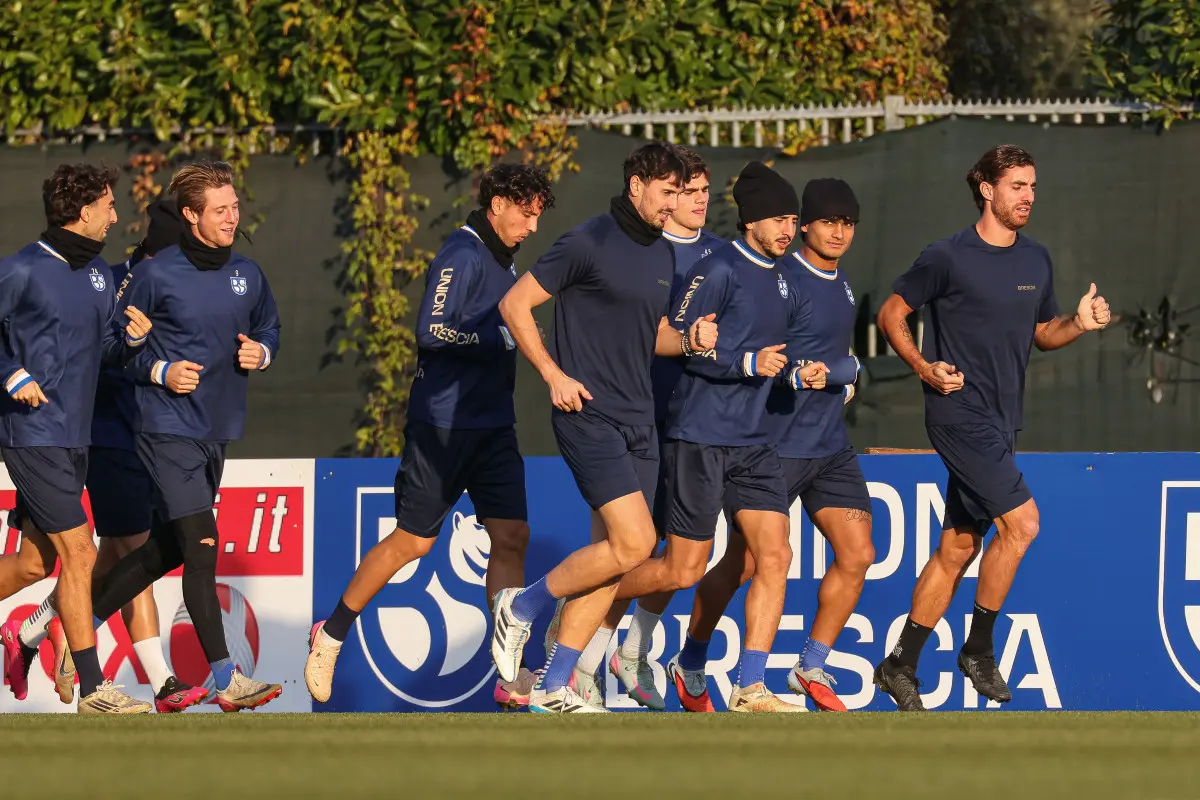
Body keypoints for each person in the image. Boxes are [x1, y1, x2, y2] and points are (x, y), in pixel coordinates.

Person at [303, 164, 555, 710]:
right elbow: (431, 329)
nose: (533, 227)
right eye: (527, 214)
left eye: (539, 216)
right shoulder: (462, 253)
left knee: (512, 538)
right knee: (414, 542)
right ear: (497, 206)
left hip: (494, 427)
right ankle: (331, 634)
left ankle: (509, 674)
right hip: (443, 426)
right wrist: (497, 337)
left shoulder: (502, 259)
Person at [872, 145, 1110, 711]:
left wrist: (1078, 322)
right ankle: (978, 648)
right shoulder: (947, 256)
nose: (1028, 196)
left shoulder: (1037, 259)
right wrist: (924, 367)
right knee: (1023, 524)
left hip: (1003, 421)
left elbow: (1043, 333)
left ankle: (899, 662)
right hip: (957, 414)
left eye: (1032, 185)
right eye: (1017, 186)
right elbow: (891, 314)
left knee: (957, 547)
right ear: (987, 189)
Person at [491, 142, 717, 714]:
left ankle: (552, 684)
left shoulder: (663, 254)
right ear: (636, 185)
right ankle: (520, 607)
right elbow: (515, 305)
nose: (675, 203)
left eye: (682, 192)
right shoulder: (588, 240)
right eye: (668, 191)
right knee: (636, 543)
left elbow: (652, 335)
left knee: (616, 558)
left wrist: (690, 339)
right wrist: (552, 375)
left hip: (641, 419)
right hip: (587, 413)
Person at [603, 161, 824, 713]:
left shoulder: (785, 275)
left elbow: (781, 351)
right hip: (699, 435)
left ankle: (750, 688)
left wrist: (800, 372)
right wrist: (747, 361)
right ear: (750, 220)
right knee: (683, 569)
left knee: (774, 555)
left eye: (794, 219)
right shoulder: (716, 268)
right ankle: (579, 597)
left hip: (756, 441)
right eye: (778, 219)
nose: (788, 230)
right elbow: (682, 346)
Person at [85, 160, 284, 712]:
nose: (231, 217)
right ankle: (227, 678)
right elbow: (110, 347)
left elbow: (270, 327)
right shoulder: (155, 274)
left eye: (235, 207)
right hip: (164, 429)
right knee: (201, 549)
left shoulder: (248, 272)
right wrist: (158, 370)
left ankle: (69, 628)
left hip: (215, 431)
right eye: (219, 210)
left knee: (163, 551)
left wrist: (261, 352)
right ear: (191, 215)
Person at [679, 178, 872, 713]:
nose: (838, 231)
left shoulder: (844, 285)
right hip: (775, 443)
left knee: (857, 555)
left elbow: (840, 357)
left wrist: (846, 371)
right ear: (804, 224)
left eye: (848, 222)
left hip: (829, 445)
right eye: (826, 221)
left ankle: (809, 667)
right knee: (744, 565)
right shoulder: (780, 276)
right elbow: (757, 349)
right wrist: (799, 373)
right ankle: (692, 660)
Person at [12, 197, 209, 713]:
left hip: (138, 437)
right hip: (103, 434)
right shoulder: (120, 279)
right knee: (120, 550)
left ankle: (34, 629)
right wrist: (154, 365)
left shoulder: (163, 278)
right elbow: (108, 355)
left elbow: (111, 348)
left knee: (40, 563)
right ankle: (153, 679)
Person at [568, 146, 726, 710]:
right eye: (689, 191)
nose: (700, 200)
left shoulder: (720, 254)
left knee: (672, 554)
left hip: (692, 425)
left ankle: (632, 645)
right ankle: (579, 661)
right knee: (621, 547)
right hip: (629, 415)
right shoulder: (641, 247)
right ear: (664, 194)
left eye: (707, 190)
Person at [0, 163, 153, 713]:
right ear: (84, 211)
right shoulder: (22, 269)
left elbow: (104, 351)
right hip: (30, 434)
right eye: (109, 205)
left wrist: (130, 341)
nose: (116, 214)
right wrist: (9, 372)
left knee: (34, 565)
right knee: (82, 551)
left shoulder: (97, 278)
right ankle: (94, 689)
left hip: (74, 438)